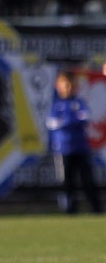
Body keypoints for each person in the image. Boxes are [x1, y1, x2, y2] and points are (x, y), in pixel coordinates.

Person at [46, 70, 103, 214]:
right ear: (58, 86)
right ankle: (70, 209)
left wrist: (67, 121)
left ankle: (96, 208)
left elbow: (85, 118)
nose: (68, 88)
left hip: (81, 148)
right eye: (64, 85)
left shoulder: (79, 102)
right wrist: (72, 121)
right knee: (67, 181)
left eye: (70, 85)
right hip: (63, 148)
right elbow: (52, 123)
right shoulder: (57, 105)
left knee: (88, 180)